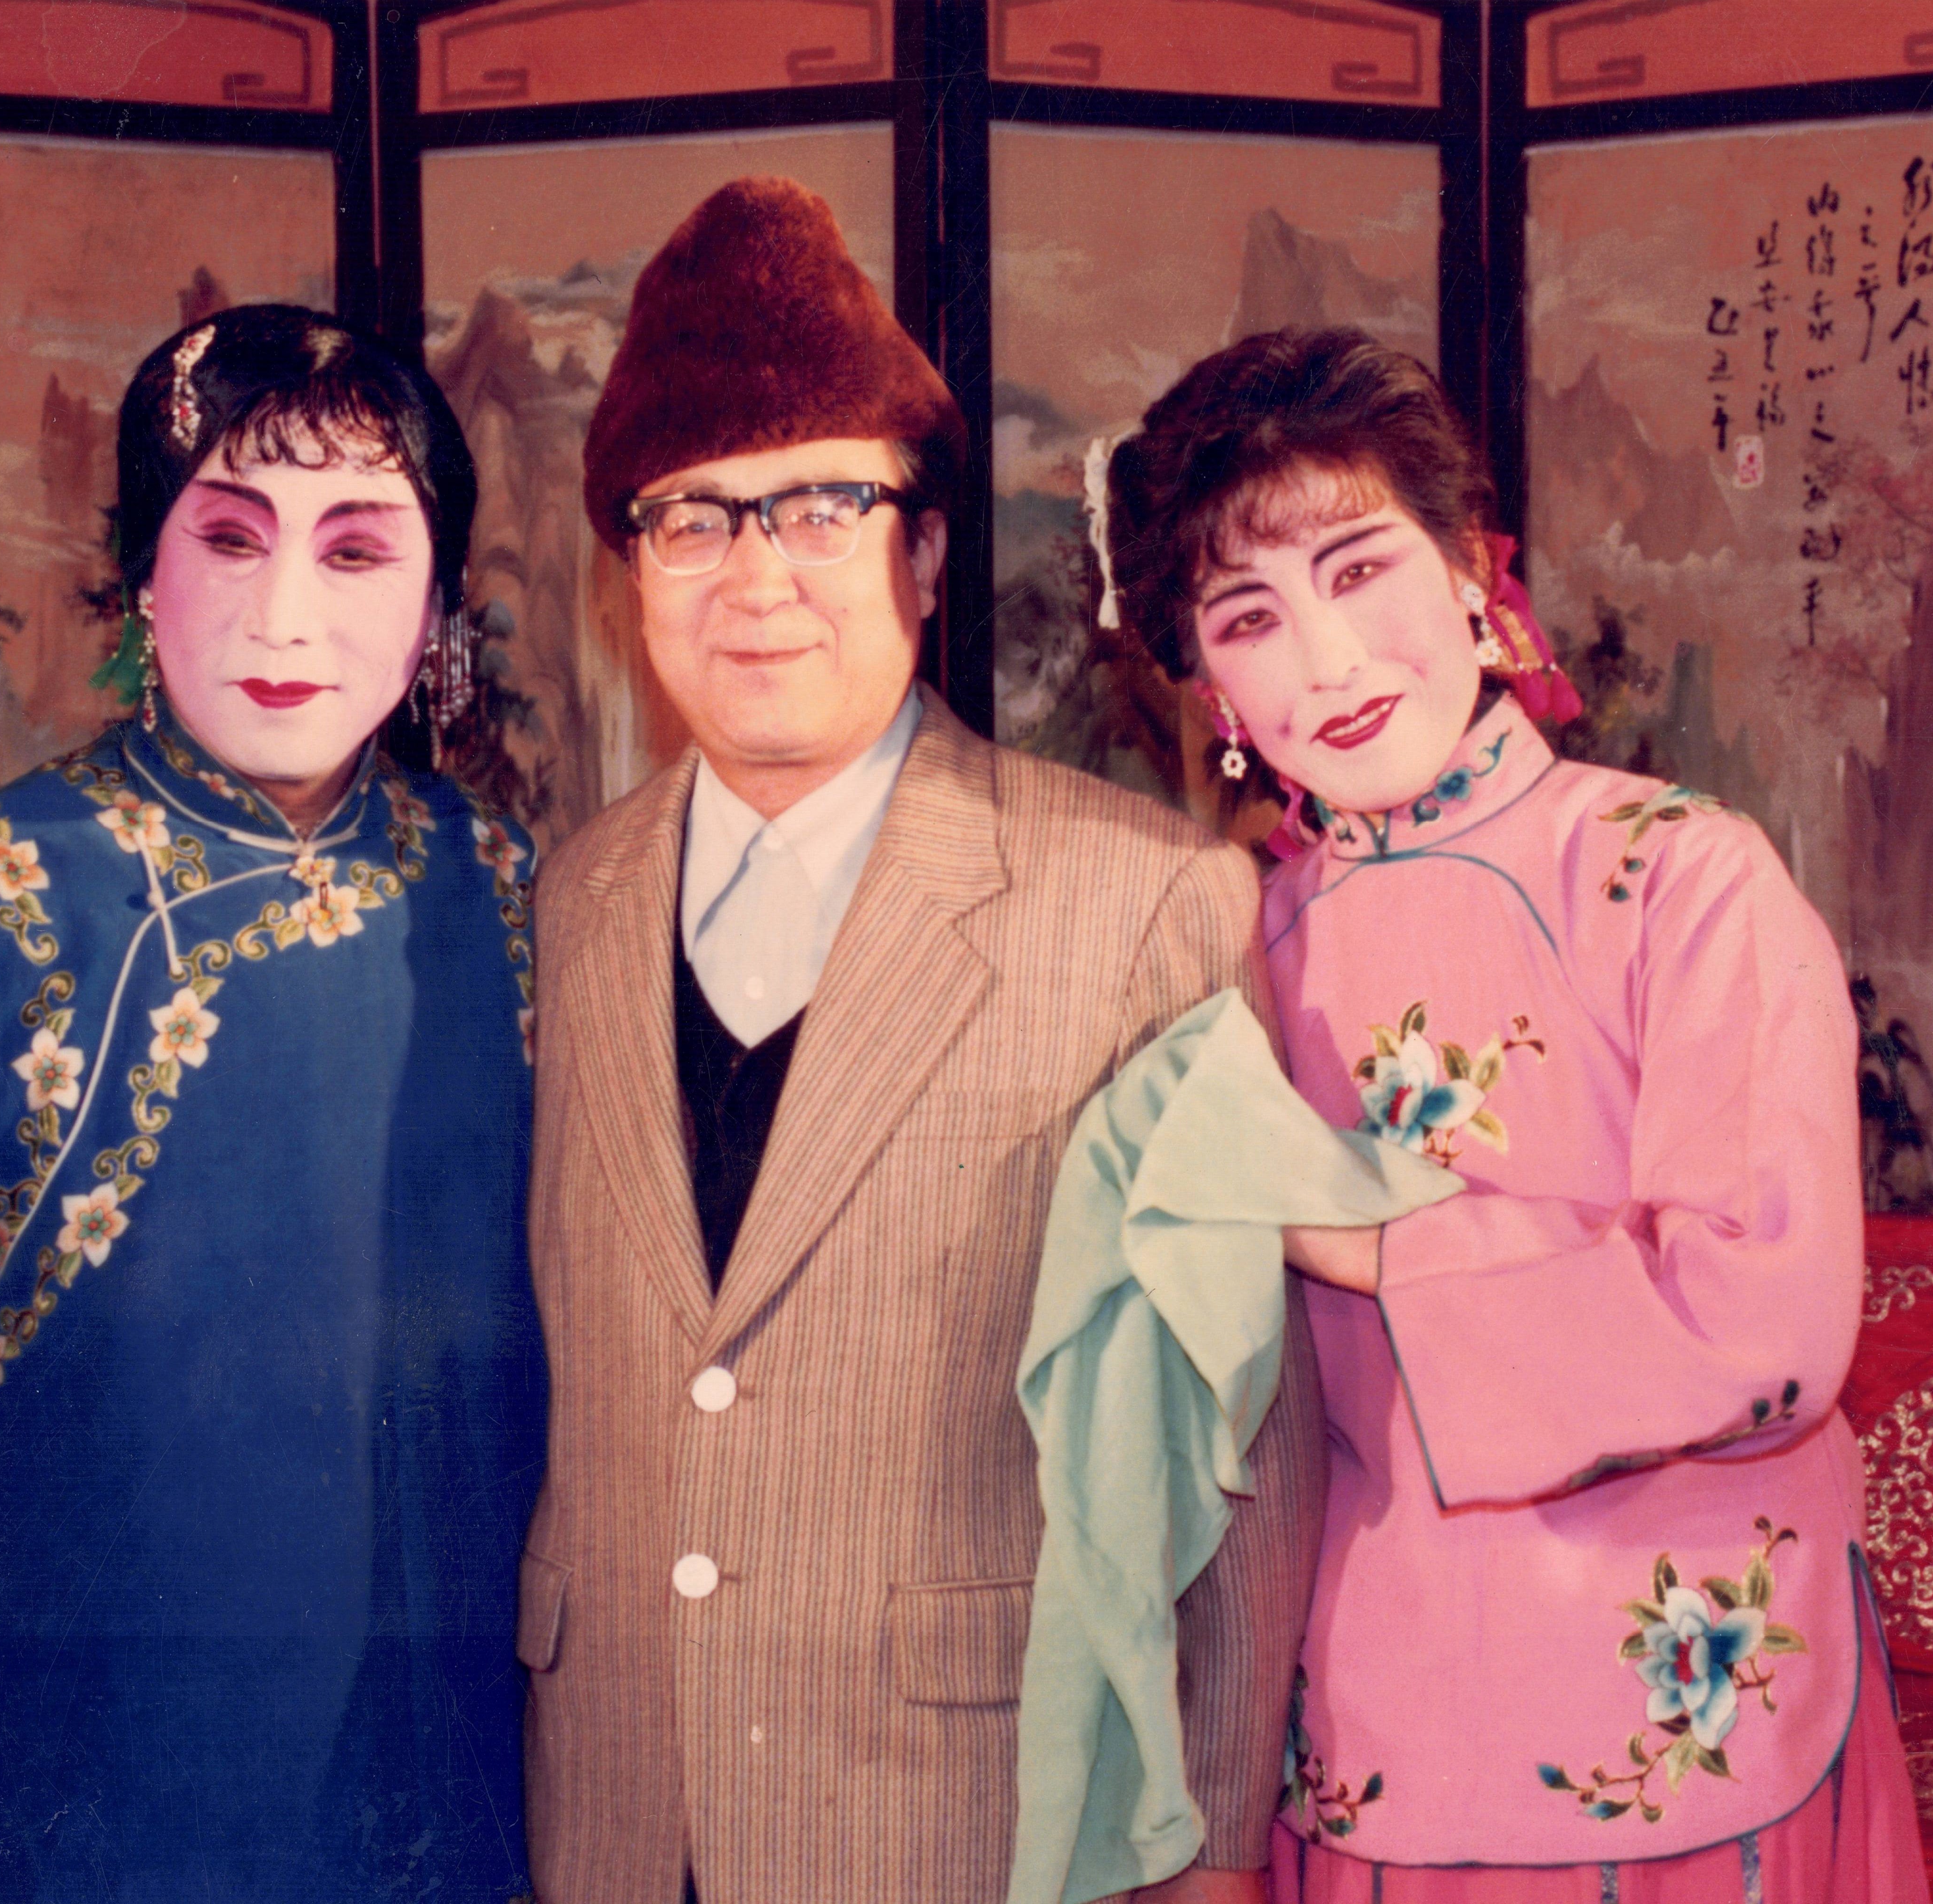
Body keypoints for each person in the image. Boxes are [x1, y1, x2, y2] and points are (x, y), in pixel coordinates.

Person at [517, 176, 1324, 1904]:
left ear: (928, 552)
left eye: (824, 508)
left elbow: (1242, 1425)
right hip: (615, 1804)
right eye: (692, 519)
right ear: (630, 571)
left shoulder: (1138, 901)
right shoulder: (571, 903)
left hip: (967, 1810)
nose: (758, 578)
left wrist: (1209, 1845)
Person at [0, 305, 547, 1904]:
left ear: (437, 603)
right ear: (140, 577)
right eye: (228, 539)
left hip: (456, 1783)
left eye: (357, 552)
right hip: (98, 1778)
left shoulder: (516, 898)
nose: (285, 614)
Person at [1100, 328, 1928, 1903]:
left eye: (1359, 570)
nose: (1327, 661)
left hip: (1688, 1702)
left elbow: (1765, 1318)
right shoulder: (1231, 945)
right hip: (1368, 1719)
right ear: (1209, 690)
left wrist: (1364, 1242)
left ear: (1474, 574)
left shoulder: (1677, 874)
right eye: (1249, 617)